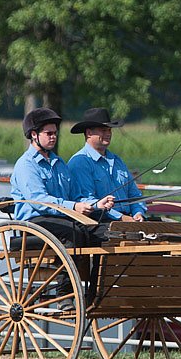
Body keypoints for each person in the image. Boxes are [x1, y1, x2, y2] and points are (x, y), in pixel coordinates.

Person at [10, 107, 115, 306]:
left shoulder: (59, 163)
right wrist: (74, 207)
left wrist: (97, 204)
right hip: (34, 223)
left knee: (105, 233)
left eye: (55, 133)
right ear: (34, 135)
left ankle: (95, 293)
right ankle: (64, 293)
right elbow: (39, 200)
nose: (53, 137)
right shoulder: (26, 165)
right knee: (73, 232)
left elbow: (75, 196)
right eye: (48, 133)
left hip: (61, 219)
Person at [67, 108, 147, 222]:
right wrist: (121, 218)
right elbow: (86, 200)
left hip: (129, 219)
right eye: (103, 130)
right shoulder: (79, 162)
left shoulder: (117, 160)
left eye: (109, 130)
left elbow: (134, 194)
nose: (108, 134)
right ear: (89, 133)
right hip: (100, 221)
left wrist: (138, 213)